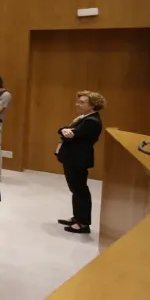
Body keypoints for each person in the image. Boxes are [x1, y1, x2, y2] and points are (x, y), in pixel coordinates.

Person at [55, 91, 105, 235]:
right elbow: (64, 129)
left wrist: (66, 131)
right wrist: (64, 130)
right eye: (78, 101)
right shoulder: (85, 117)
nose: (78, 104)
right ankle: (77, 218)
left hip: (78, 158)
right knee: (76, 190)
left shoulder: (92, 121)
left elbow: (72, 135)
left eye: (82, 102)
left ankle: (83, 224)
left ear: (93, 105)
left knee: (80, 190)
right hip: (73, 157)